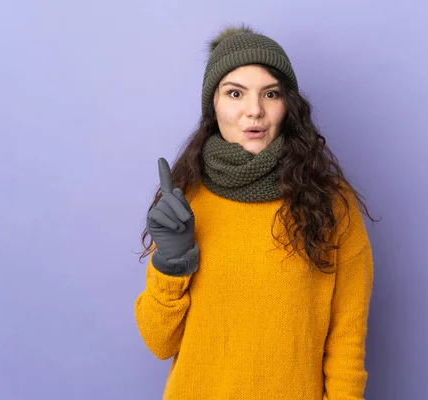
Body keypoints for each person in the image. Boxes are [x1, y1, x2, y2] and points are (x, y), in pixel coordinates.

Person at [135, 24, 374, 400]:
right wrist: (171, 262)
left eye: (270, 94)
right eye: (235, 93)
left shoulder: (331, 204)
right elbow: (159, 342)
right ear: (213, 105)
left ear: (287, 105)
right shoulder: (186, 201)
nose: (255, 111)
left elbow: (347, 342)